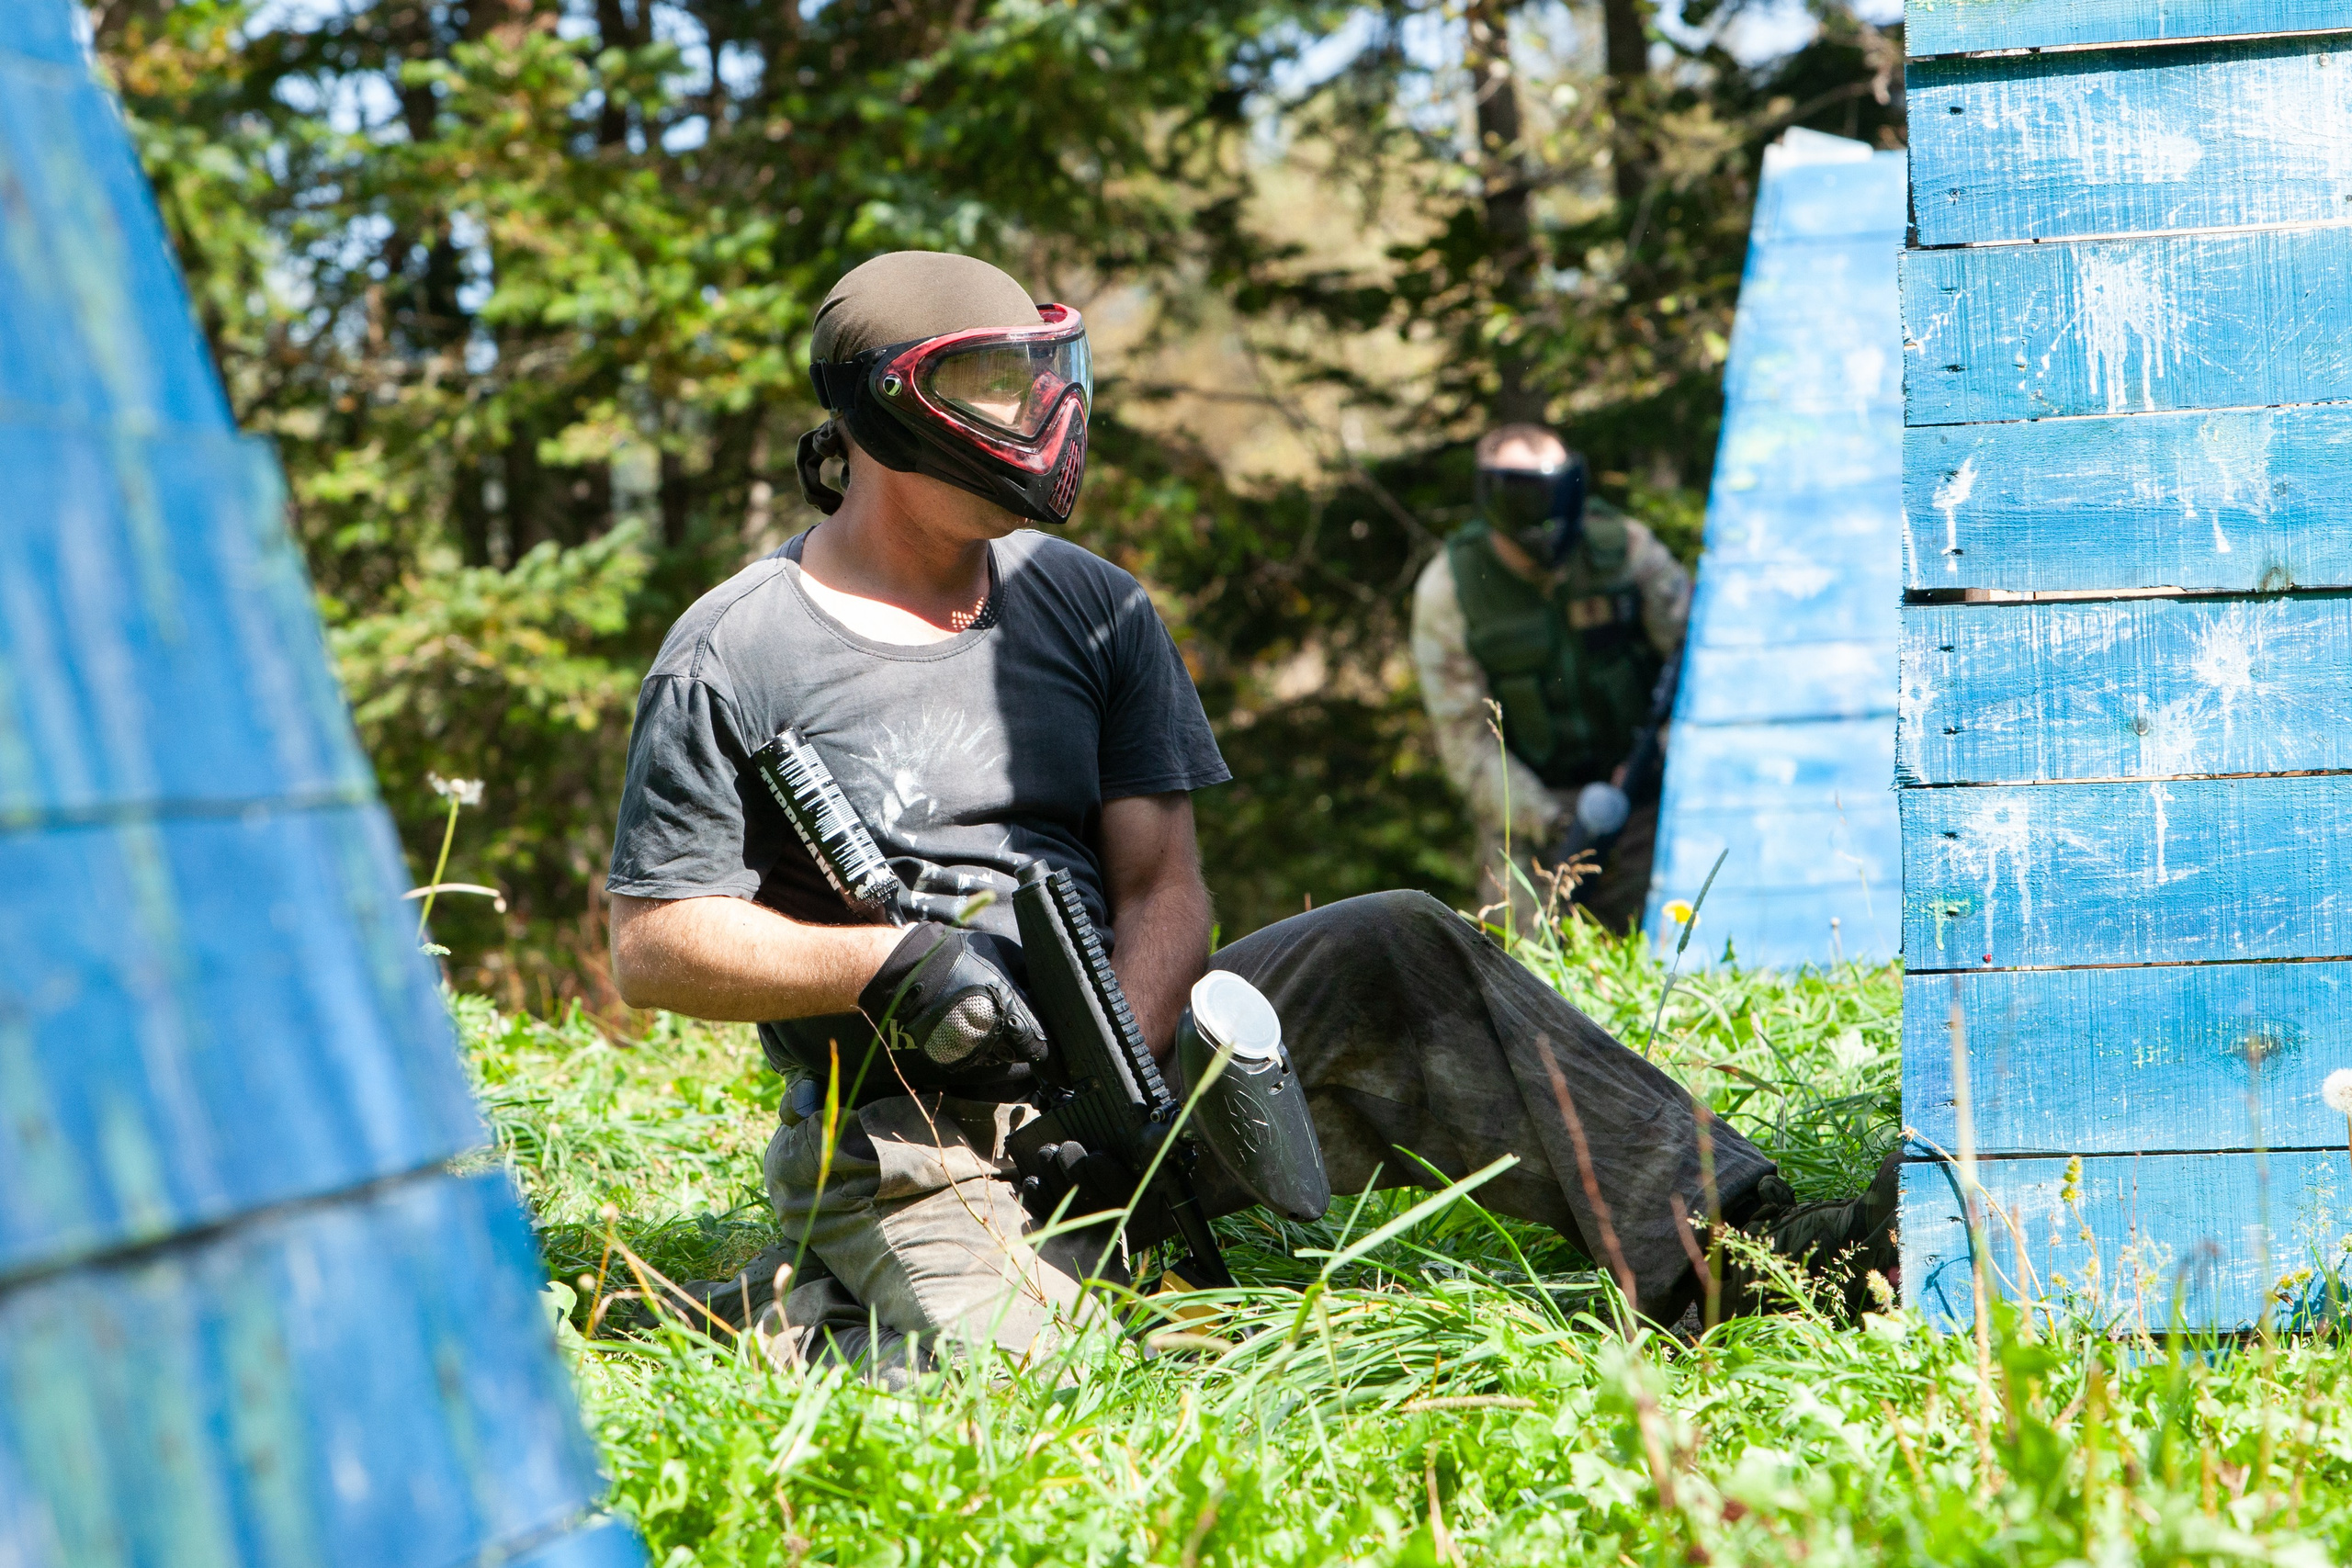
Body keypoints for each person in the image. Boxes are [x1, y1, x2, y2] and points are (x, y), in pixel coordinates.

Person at [603, 251, 1892, 1380]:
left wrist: (1130, 1067)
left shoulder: (1093, 607)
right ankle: (798, 1316)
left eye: (1044, 370)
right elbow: (655, 938)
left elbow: (1164, 881)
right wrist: (886, 965)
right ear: (893, 407)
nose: (1042, 409)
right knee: (1049, 1390)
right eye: (998, 381)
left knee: (1398, 938)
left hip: (1130, 1080)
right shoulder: (736, 651)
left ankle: (1756, 1250)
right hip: (908, 1141)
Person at [1411, 424, 1690, 931]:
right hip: (1534, 818)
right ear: (1493, 497)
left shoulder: (1626, 551)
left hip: (1650, 794)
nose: (1547, 511)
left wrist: (1658, 760)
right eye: (1526, 495)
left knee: (1676, 943)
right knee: (1525, 970)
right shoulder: (1449, 591)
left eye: (1558, 489)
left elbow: (1698, 667)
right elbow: (1466, 742)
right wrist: (1555, 822)